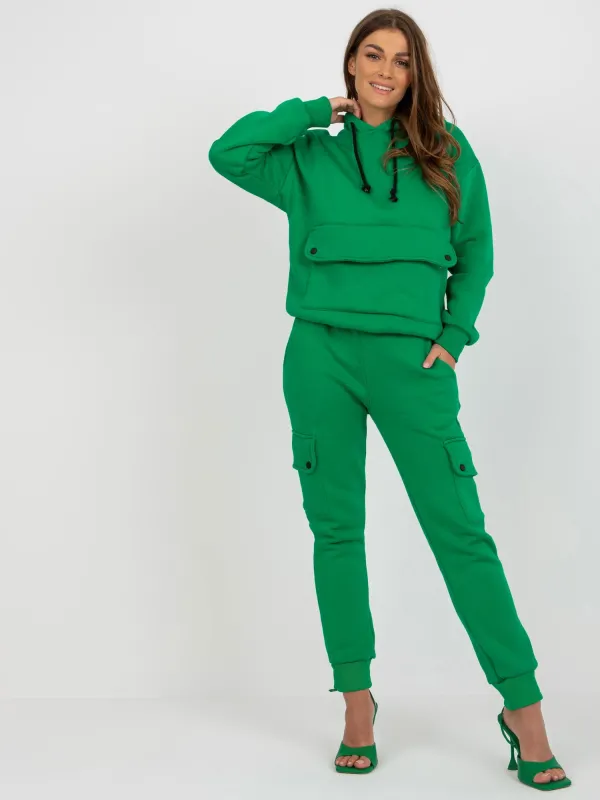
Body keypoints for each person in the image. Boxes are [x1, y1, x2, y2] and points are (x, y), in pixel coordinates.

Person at [207, 7, 571, 791]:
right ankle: (357, 706)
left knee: (461, 534)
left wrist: (455, 335)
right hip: (320, 355)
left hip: (413, 363)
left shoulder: (445, 151)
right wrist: (314, 110)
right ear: (351, 64)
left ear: (416, 74)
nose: (385, 71)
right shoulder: (308, 157)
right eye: (371, 55)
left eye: (401, 60)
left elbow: (476, 251)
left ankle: (524, 709)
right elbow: (227, 152)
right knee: (336, 530)